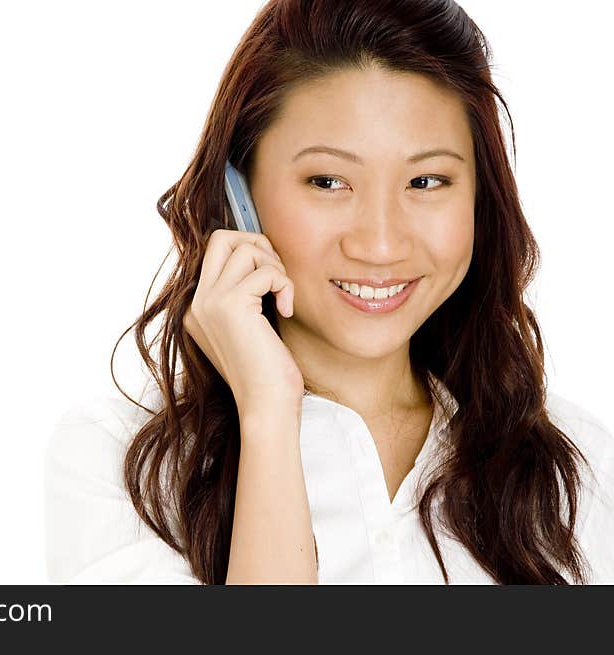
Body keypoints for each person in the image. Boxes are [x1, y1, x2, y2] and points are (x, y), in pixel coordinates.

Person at [44, 0, 614, 584]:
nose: (382, 244)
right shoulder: (121, 465)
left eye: (426, 181)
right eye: (328, 181)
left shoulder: (578, 466)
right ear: (239, 191)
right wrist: (267, 411)